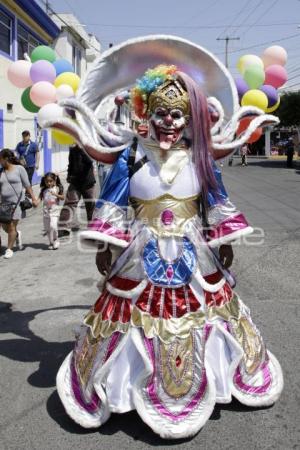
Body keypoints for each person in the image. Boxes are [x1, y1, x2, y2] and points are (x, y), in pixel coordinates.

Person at [54, 57, 283, 440]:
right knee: (129, 319)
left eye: (179, 115)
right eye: (162, 113)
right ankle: (124, 387)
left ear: (189, 117)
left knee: (209, 318)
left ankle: (212, 378)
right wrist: (102, 248)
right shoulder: (130, 155)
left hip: (195, 253)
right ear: (147, 113)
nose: (170, 122)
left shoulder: (200, 155)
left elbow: (216, 201)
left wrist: (223, 242)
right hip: (140, 255)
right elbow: (112, 205)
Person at [0, 149, 38, 259]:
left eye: (0, 159)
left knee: (11, 226)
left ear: (6, 159)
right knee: (5, 227)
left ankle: (9, 249)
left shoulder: (19, 169)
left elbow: (27, 185)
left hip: (16, 203)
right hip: (4, 204)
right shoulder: (1, 172)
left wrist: (34, 198)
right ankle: (16, 234)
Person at [58, 144, 95, 236]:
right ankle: (63, 227)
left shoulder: (88, 147)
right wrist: (68, 175)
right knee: (70, 203)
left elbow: (90, 161)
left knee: (90, 204)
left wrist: (81, 149)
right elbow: (70, 163)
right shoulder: (72, 148)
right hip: (75, 181)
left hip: (88, 181)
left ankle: (92, 226)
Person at [37, 172, 64, 250]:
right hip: (46, 212)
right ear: (44, 181)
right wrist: (36, 202)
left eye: (50, 181)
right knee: (47, 228)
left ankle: (56, 240)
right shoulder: (44, 190)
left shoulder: (57, 188)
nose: (49, 183)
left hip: (55, 211)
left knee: (53, 226)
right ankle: (51, 242)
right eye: (47, 181)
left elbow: (62, 197)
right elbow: (39, 199)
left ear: (54, 181)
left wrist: (56, 194)